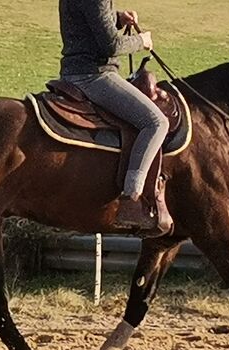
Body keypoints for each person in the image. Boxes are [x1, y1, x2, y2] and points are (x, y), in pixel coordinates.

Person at [59, 0, 169, 230]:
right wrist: (142, 41)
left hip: (72, 71)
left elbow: (84, 22)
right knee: (156, 122)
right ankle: (131, 199)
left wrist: (117, 18)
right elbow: (111, 46)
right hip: (94, 76)